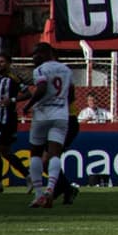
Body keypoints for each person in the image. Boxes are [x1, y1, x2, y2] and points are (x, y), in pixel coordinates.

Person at [23, 43, 74, 209]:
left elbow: (42, 88)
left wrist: (28, 105)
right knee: (55, 155)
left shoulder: (40, 70)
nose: (34, 58)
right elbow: (71, 94)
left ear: (46, 54)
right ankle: (50, 189)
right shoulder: (66, 70)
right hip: (61, 115)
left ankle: (39, 194)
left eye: (36, 54)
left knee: (36, 154)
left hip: (42, 114)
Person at [0, 53, 22, 194]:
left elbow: (27, 94)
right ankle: (28, 177)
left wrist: (12, 100)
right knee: (6, 153)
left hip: (8, 120)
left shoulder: (13, 78)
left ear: (8, 63)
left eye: (2, 62)